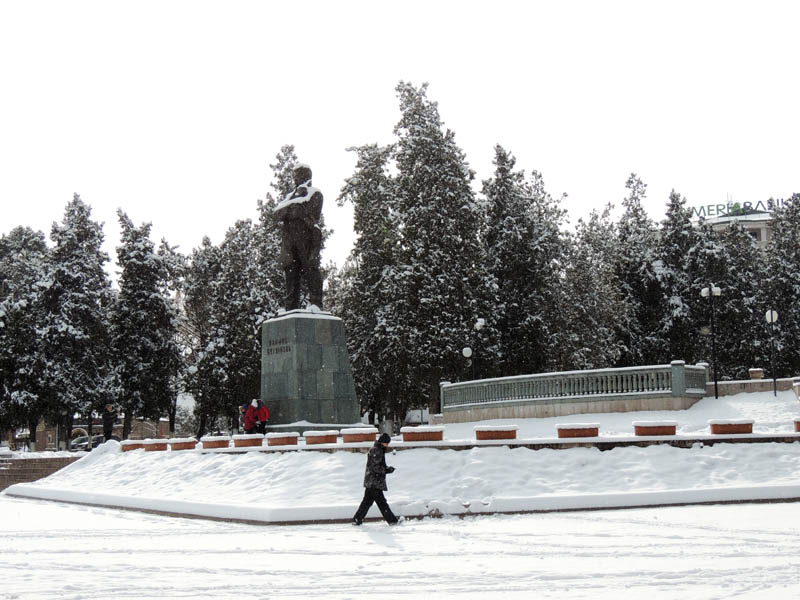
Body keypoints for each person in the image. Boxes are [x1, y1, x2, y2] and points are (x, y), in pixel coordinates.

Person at [273, 163, 324, 311]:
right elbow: (276, 214)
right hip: (289, 241)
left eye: (298, 175)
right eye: (294, 176)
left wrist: (289, 209)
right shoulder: (290, 196)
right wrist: (293, 208)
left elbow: (306, 210)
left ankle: (316, 304)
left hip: (307, 238)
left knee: (311, 270)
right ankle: (290, 306)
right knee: (291, 274)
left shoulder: (315, 193)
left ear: (306, 176)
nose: (295, 179)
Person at [352, 432, 399, 525]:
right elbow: (375, 467)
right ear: (383, 442)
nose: (387, 445)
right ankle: (392, 521)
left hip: (371, 481)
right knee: (382, 503)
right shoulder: (377, 450)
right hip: (374, 481)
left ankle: (357, 519)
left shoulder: (377, 449)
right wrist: (387, 470)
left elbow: (375, 466)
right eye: (387, 443)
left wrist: (386, 469)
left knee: (367, 502)